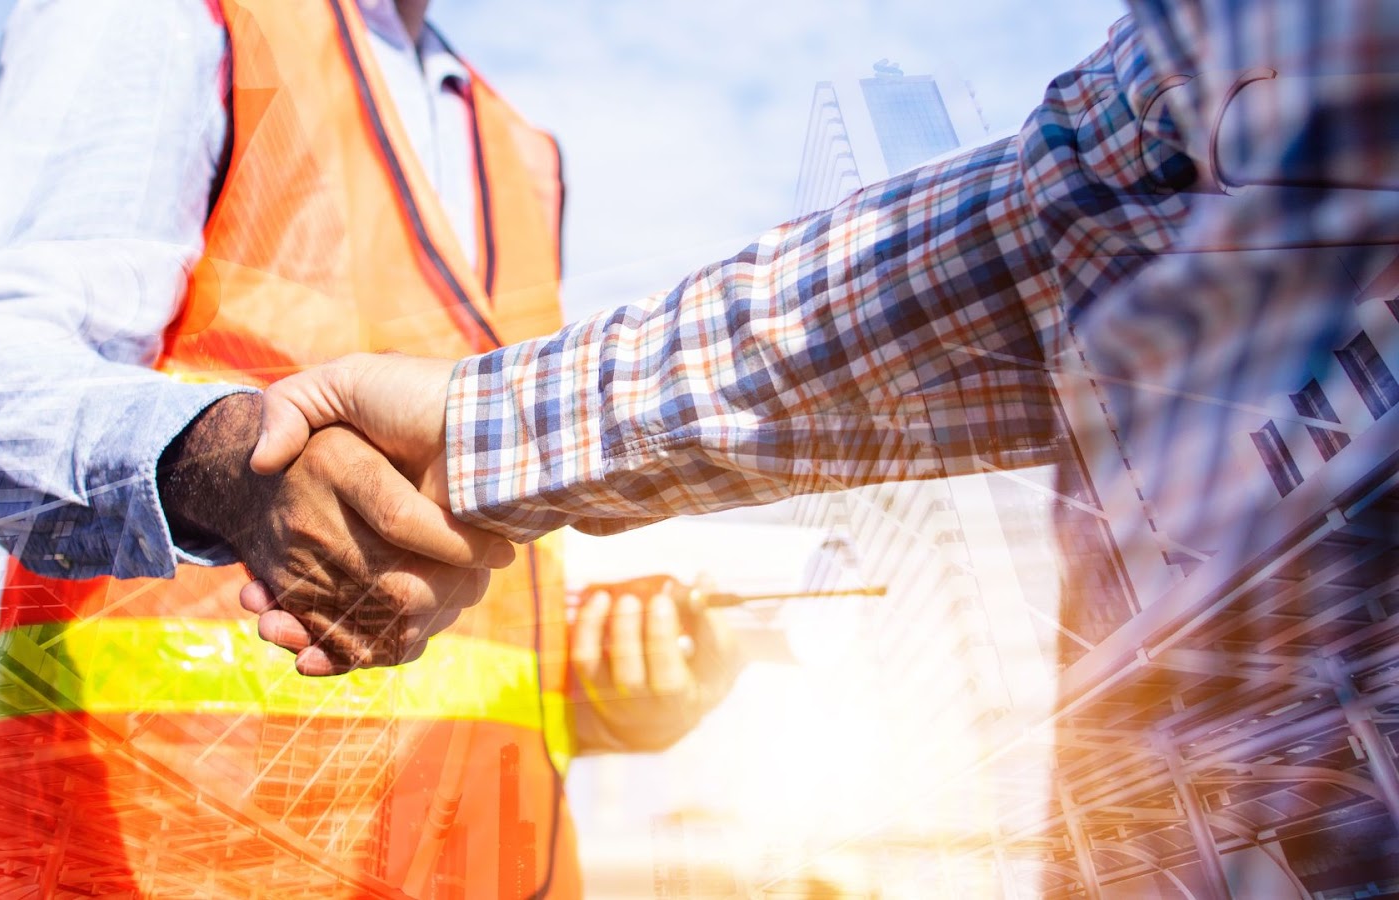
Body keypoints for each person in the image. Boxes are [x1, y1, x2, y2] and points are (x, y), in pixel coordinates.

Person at [246, 1, 1399, 894]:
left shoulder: (514, 153)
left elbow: (1072, 230)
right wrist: (594, 685)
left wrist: (490, 445)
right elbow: (1079, 228)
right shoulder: (187, 32)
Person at [0, 0, 737, 895]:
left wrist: (607, 694)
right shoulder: (178, 18)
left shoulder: (520, 151)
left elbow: (466, 615)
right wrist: (230, 467)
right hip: (177, 858)